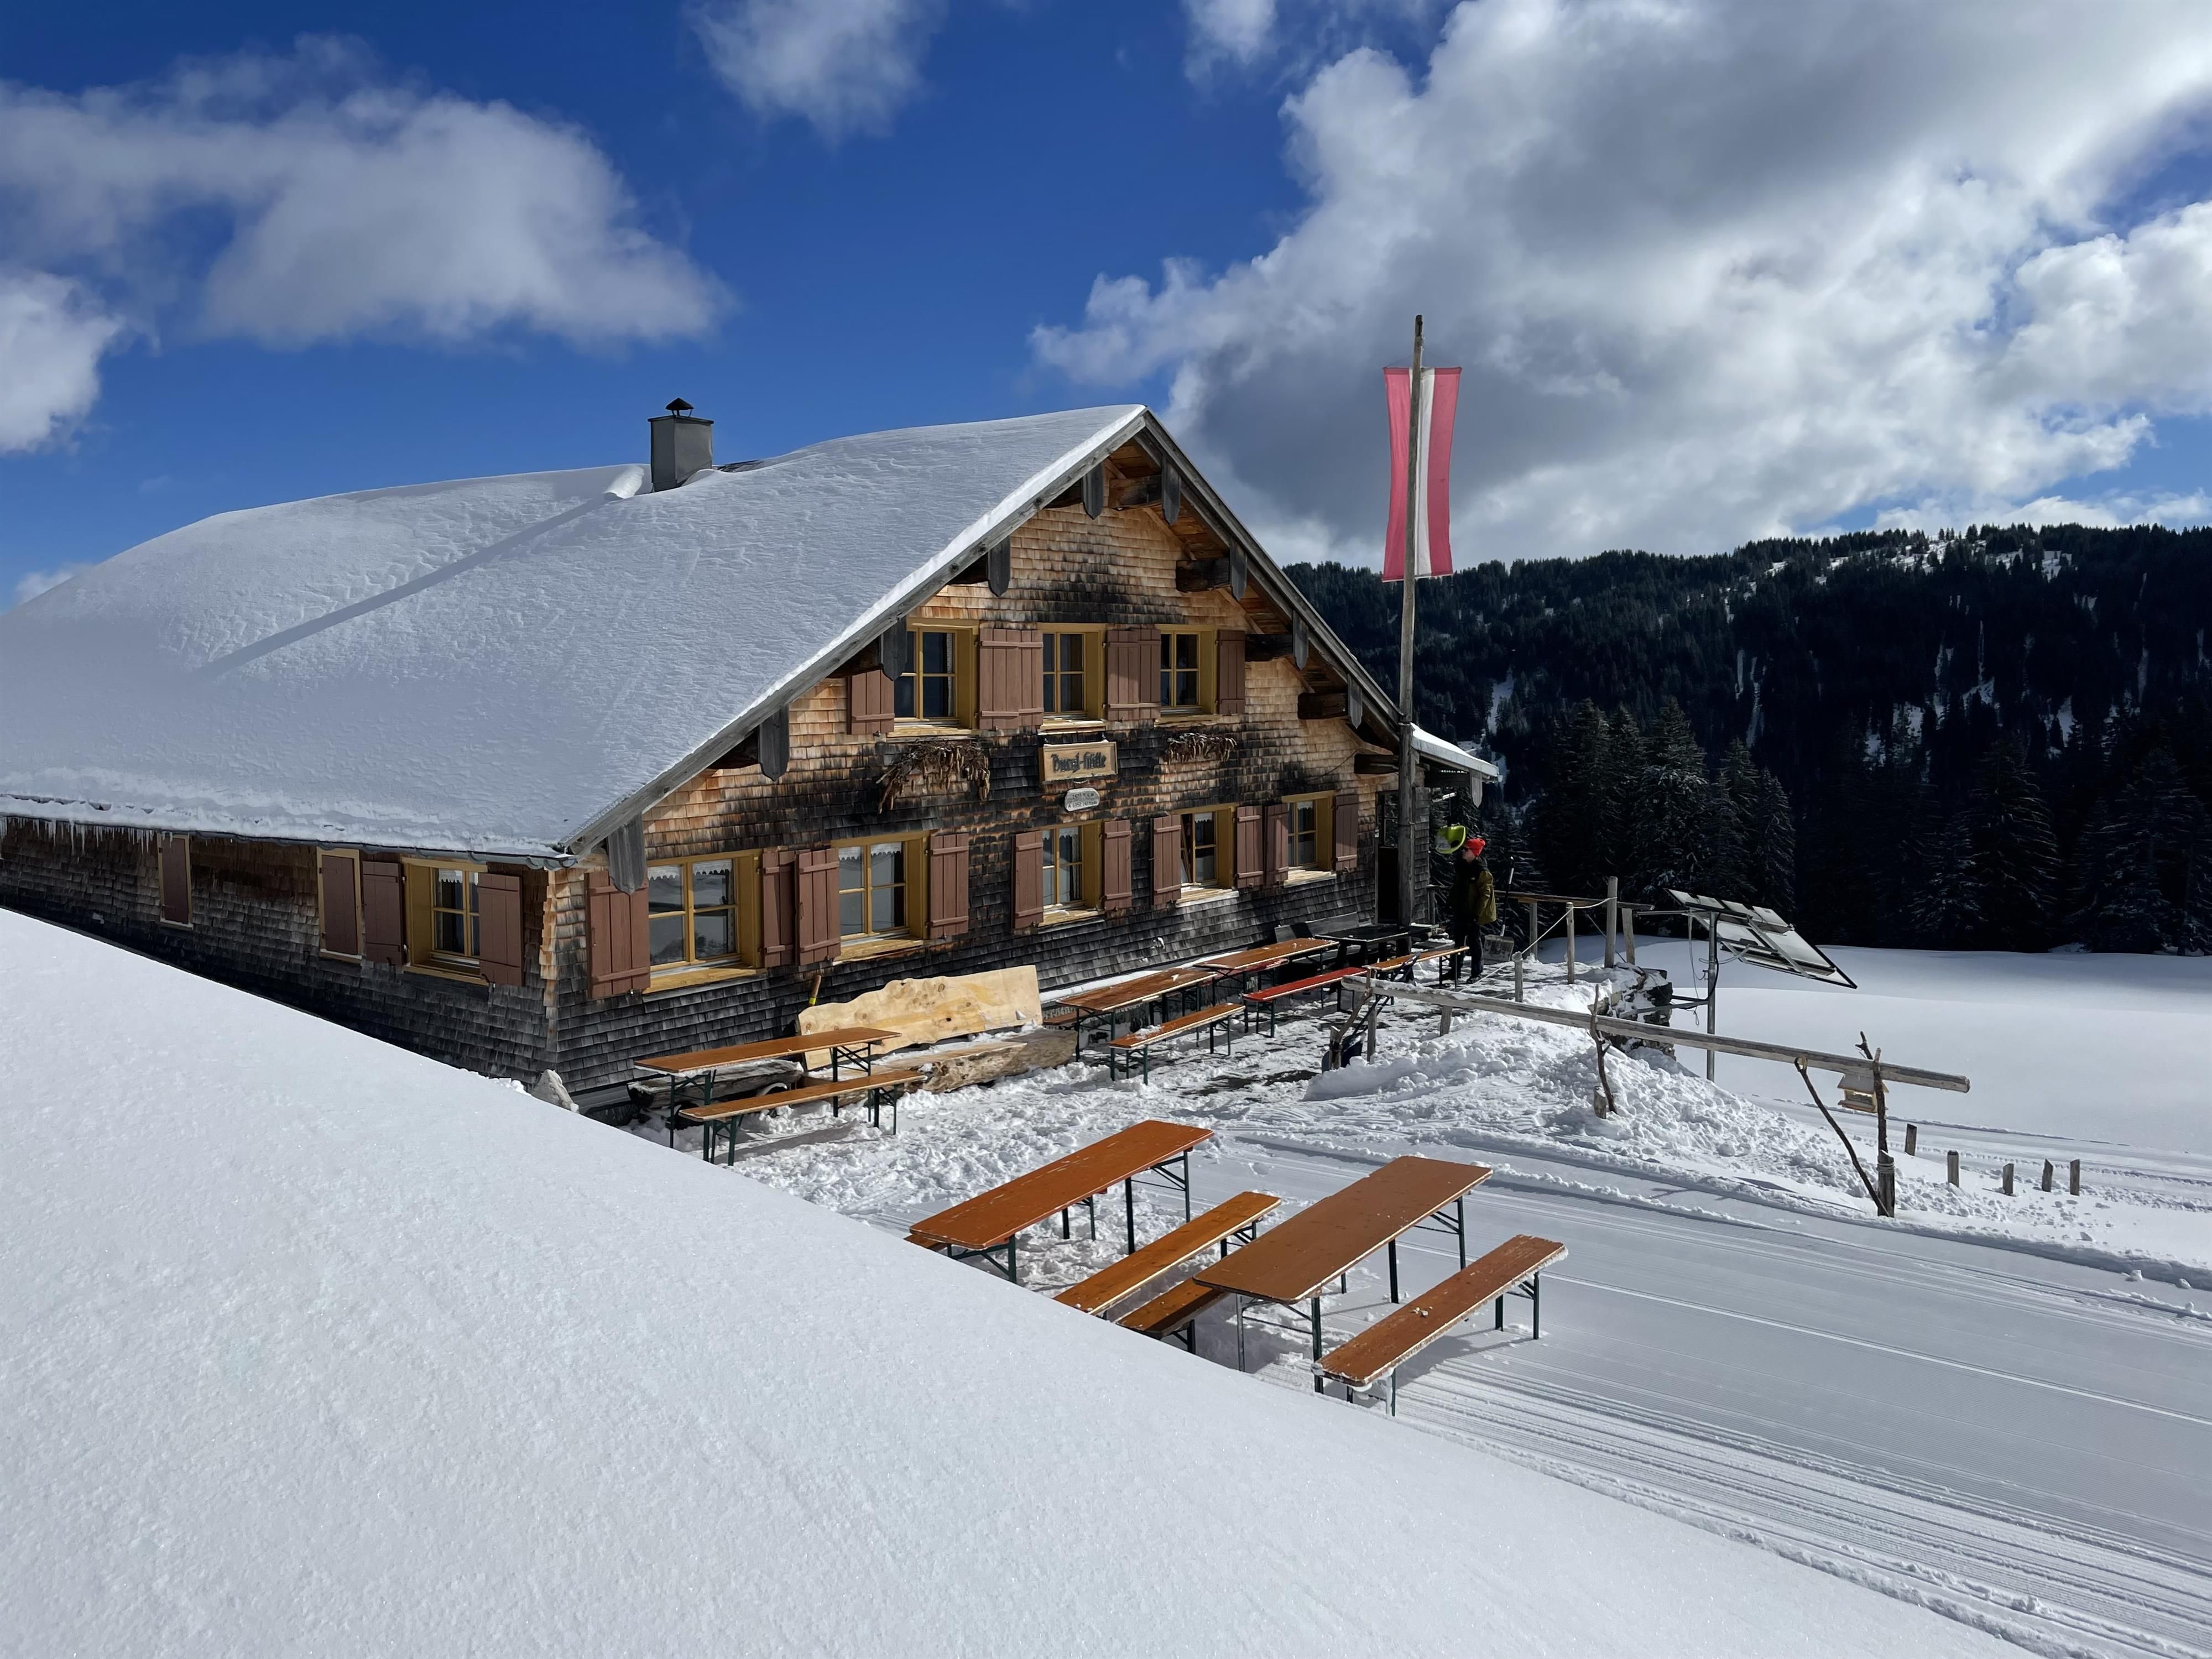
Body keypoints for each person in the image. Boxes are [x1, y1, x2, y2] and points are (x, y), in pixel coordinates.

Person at [1444, 831, 1494, 982]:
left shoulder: (1482, 872)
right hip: (1461, 909)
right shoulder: (1462, 866)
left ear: (1474, 852)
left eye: (1466, 850)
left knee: (1474, 942)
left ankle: (1476, 972)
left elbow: (1484, 896)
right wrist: (1450, 903)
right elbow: (1457, 887)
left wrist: (1477, 915)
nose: (1463, 852)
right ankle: (1455, 970)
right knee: (1458, 941)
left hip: (1473, 912)